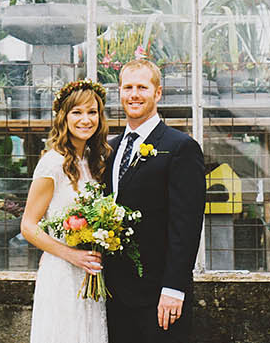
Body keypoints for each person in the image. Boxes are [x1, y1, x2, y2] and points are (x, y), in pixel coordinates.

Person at [103, 59, 204, 340]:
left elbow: (186, 224)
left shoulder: (181, 147)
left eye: (142, 87)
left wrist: (173, 288)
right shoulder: (109, 148)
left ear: (158, 93)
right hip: (112, 293)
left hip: (158, 296)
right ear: (120, 92)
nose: (134, 94)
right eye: (128, 87)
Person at [21, 77, 111, 343]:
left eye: (92, 112)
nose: (86, 120)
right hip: (62, 272)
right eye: (77, 112)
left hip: (91, 272)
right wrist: (71, 255)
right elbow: (28, 225)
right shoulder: (52, 163)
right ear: (64, 118)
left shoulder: (96, 163)